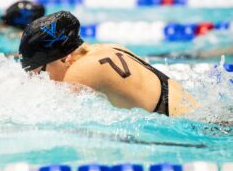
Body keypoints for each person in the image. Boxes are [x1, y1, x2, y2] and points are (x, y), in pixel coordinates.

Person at [19, 11, 199, 117]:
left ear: (64, 58)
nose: (41, 81)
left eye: (40, 73)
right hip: (199, 118)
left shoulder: (79, 72)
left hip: (191, 132)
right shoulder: (108, 48)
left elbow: (48, 116)